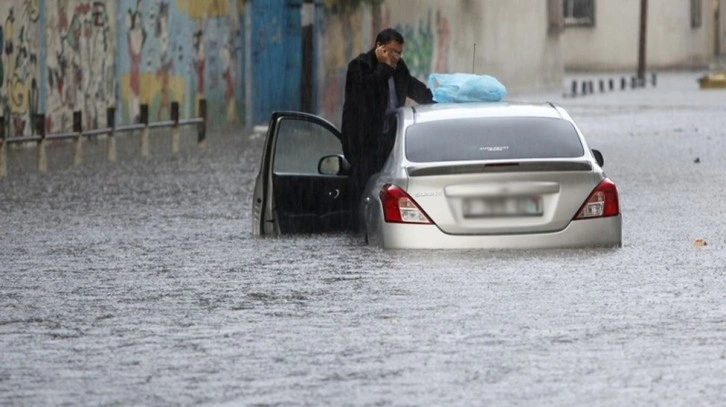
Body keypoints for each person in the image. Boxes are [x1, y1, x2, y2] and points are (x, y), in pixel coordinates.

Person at [341, 28, 434, 227]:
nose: (396, 57)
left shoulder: (398, 68)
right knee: (361, 188)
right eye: (392, 52)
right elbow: (366, 93)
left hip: (389, 138)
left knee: (387, 189)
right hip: (363, 143)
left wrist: (434, 99)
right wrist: (384, 67)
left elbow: (411, 85)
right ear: (379, 47)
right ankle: (354, 228)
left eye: (399, 53)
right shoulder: (359, 67)